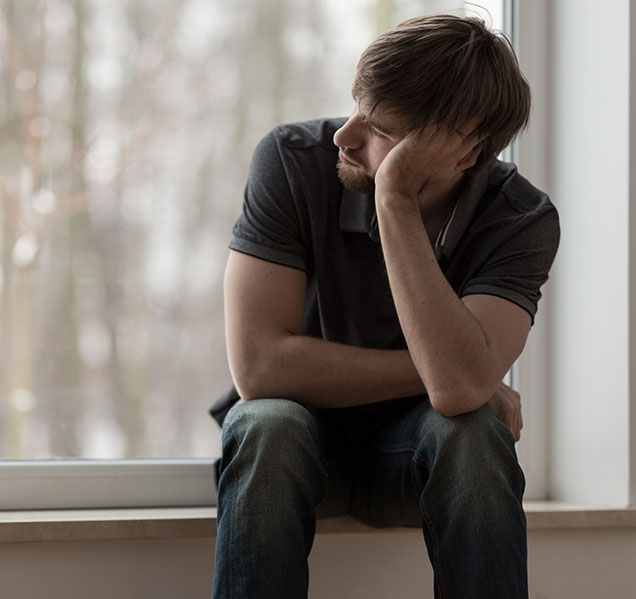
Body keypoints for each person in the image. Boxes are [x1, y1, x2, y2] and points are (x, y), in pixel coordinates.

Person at [210, 13, 559, 599]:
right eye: (355, 107)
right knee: (267, 421)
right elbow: (259, 368)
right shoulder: (292, 160)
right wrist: (458, 374)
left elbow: (454, 398)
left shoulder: (520, 217)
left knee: (471, 433)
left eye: (380, 129)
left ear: (462, 153)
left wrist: (393, 196)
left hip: (418, 462)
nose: (344, 137)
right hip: (295, 456)